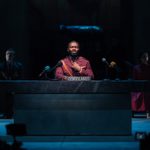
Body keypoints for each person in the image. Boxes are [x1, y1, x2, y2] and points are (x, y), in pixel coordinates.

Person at [132, 51, 150, 118]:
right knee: (134, 94)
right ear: (140, 58)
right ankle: (132, 112)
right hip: (139, 87)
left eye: (147, 57)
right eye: (144, 57)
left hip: (148, 87)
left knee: (147, 93)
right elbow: (134, 79)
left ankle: (148, 112)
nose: (146, 58)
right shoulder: (136, 68)